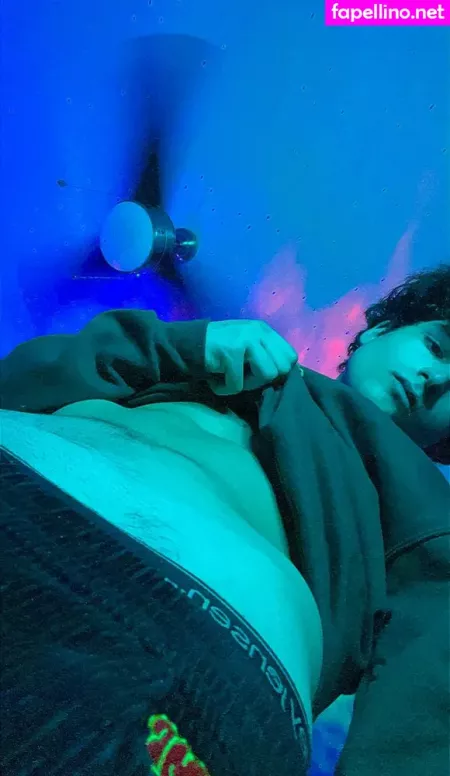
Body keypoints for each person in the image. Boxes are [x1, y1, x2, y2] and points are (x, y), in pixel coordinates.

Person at [1, 263, 449, 776]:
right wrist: (185, 346)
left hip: (187, 629)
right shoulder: (218, 361)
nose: (434, 379)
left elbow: (428, 704)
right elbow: (18, 380)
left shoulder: (426, 510)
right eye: (436, 347)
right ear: (379, 330)